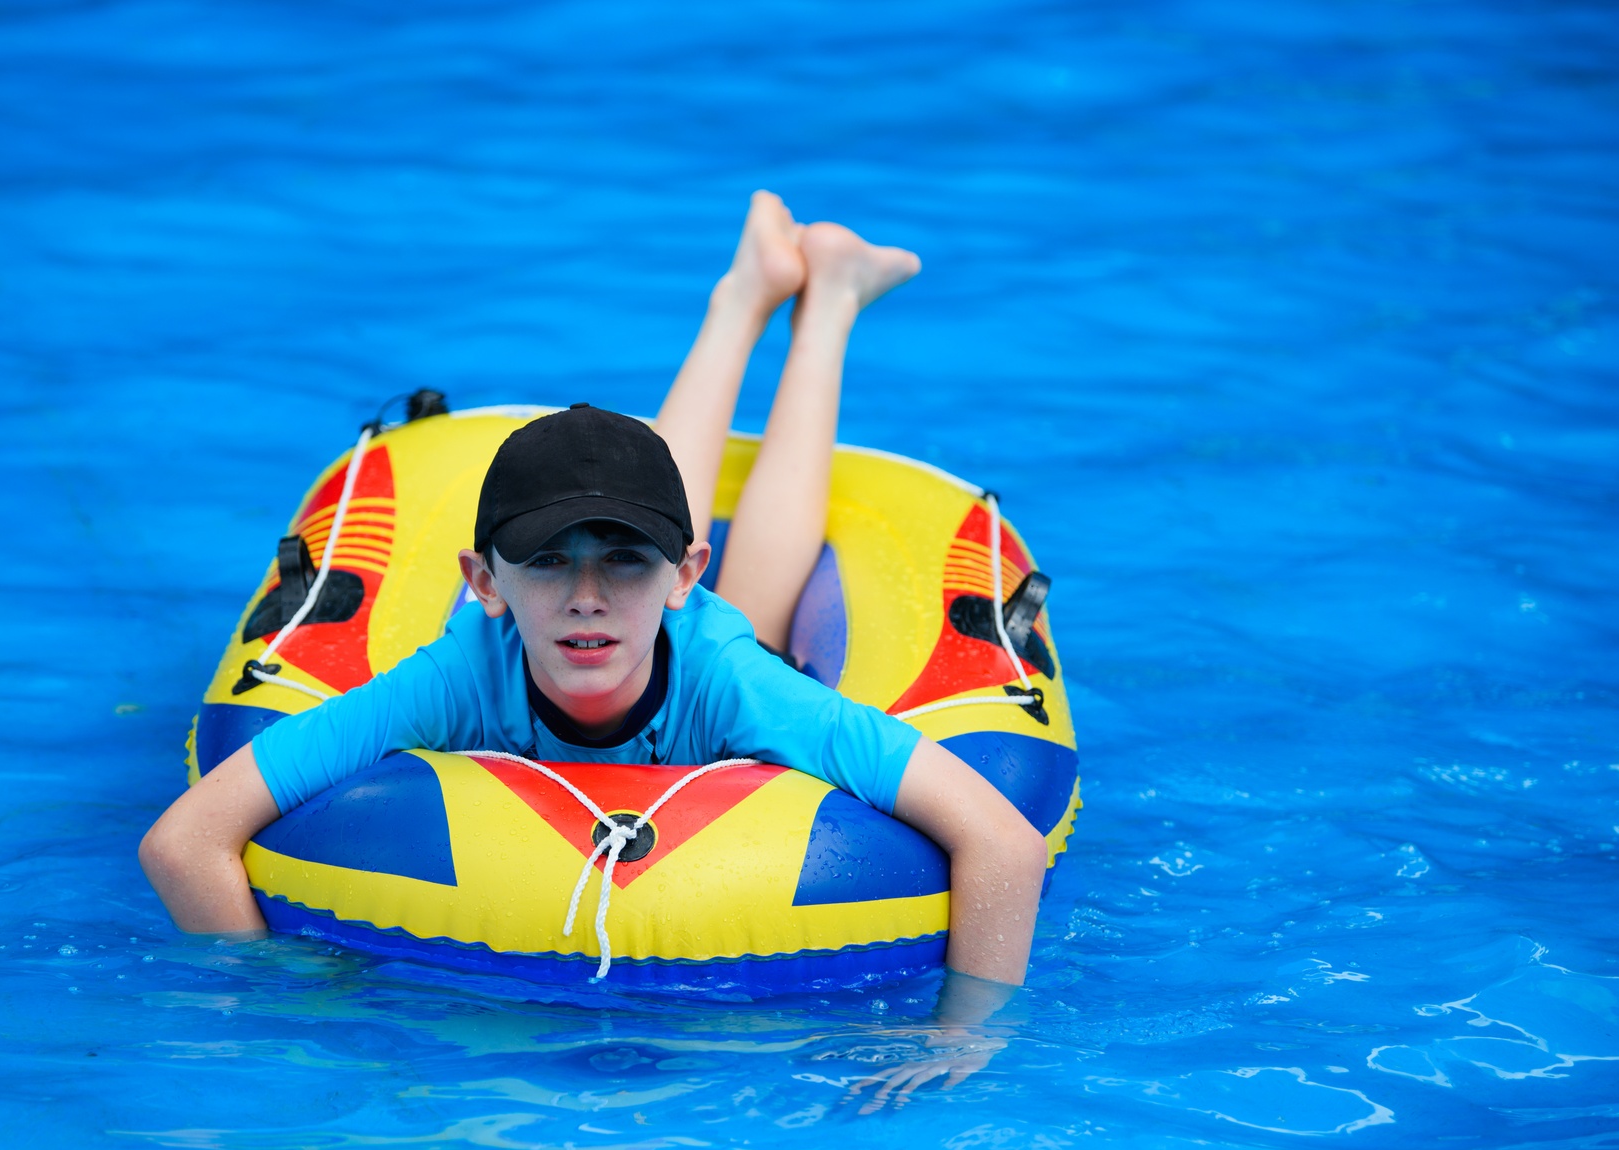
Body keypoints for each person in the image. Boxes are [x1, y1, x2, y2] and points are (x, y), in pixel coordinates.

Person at [138, 190, 1050, 989]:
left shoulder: (737, 682)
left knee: (752, 615)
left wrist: (962, 1041)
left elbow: (1004, 841)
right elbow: (181, 843)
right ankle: (751, 293)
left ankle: (824, 304)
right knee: (638, 516)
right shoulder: (454, 677)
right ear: (482, 581)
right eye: (544, 560)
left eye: (625, 561)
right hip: (648, 631)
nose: (585, 596)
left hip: (716, 649)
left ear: (685, 574)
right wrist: (272, 1013)